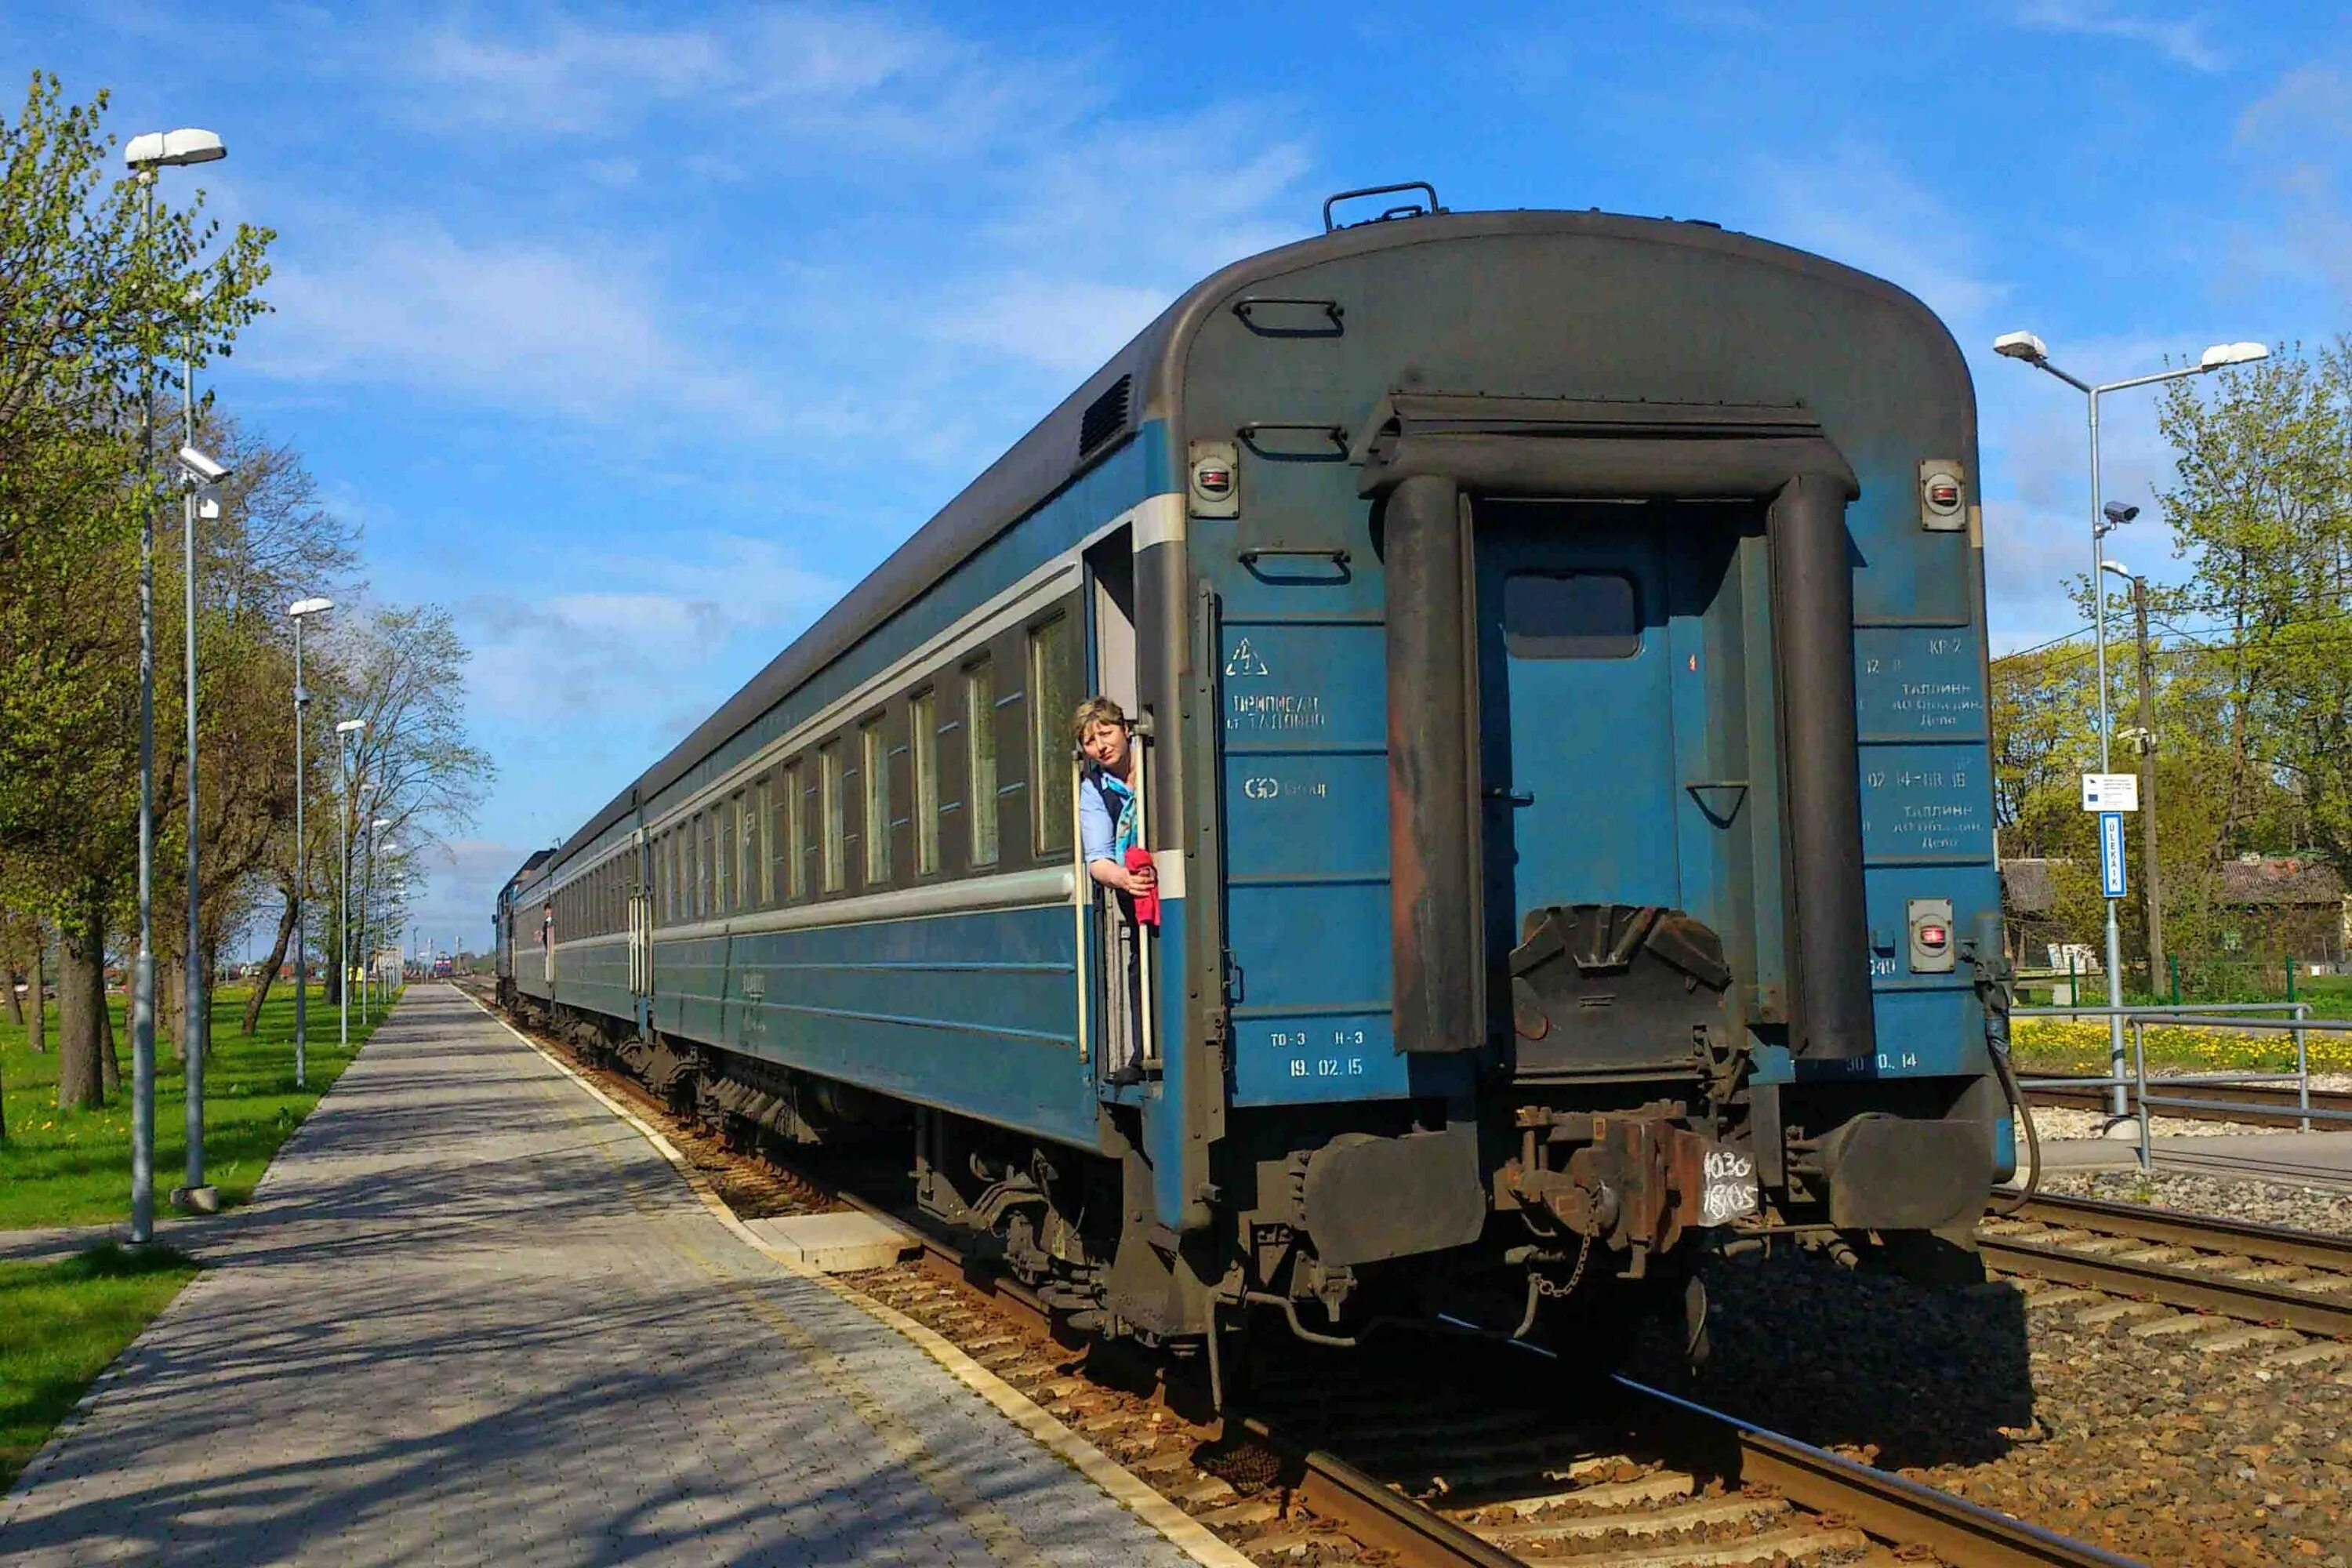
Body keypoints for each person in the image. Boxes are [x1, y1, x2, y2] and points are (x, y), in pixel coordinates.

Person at [1075, 696, 1153, 1085]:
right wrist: (1125, 879)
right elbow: (1097, 858)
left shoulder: (1155, 758)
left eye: (1106, 734)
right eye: (1090, 742)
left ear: (1125, 729)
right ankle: (1144, 1056)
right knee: (1142, 964)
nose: (1101, 746)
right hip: (1134, 886)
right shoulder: (1094, 788)